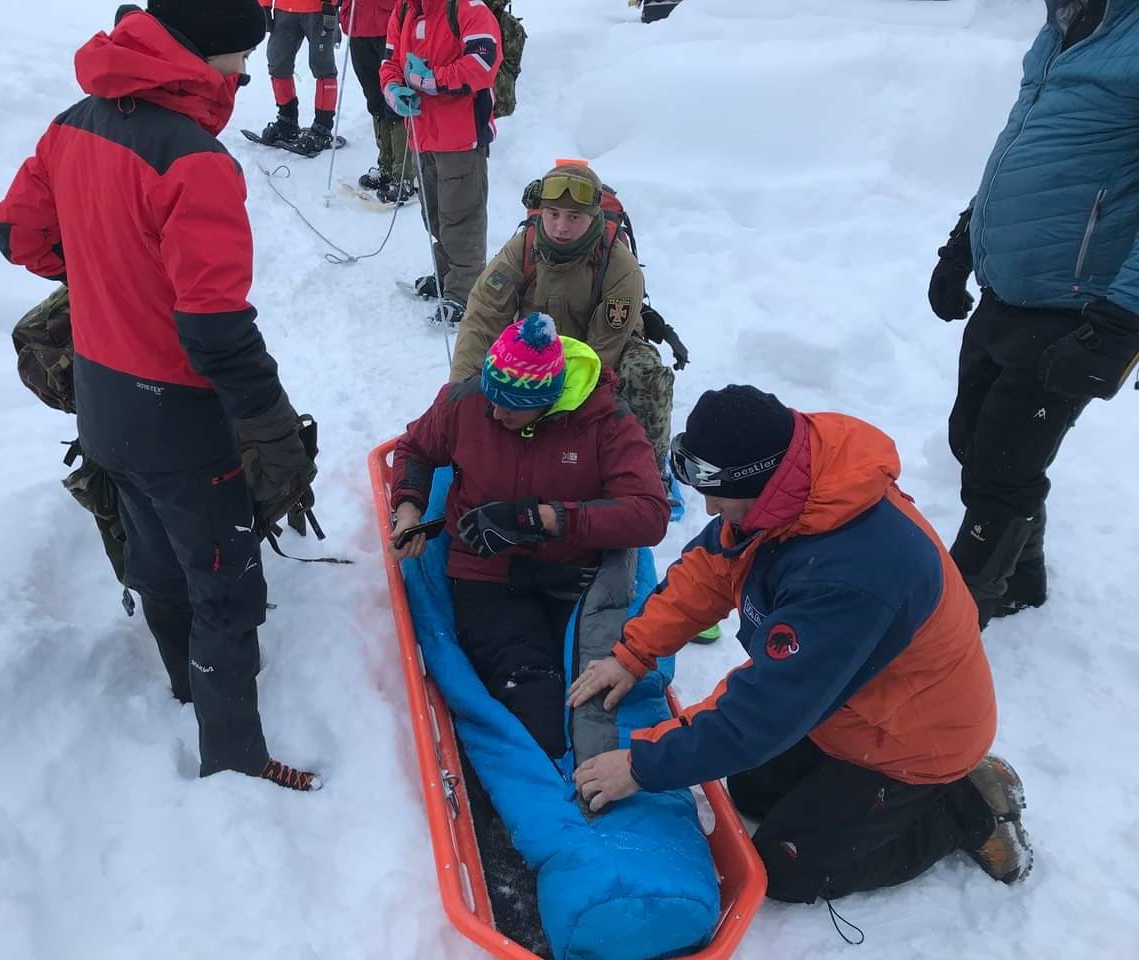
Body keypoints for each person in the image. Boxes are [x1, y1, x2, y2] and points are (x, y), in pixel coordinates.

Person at [0, 0, 321, 792]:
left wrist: (106, 272)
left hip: (104, 400)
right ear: (200, 52)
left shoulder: (75, 120)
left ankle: (185, 682)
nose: (246, 70)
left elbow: (17, 235)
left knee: (159, 560)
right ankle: (236, 757)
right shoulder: (195, 159)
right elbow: (214, 330)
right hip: (180, 417)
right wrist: (271, 428)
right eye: (239, 55)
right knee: (227, 588)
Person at [568, 386, 1033, 903]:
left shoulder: (853, 575)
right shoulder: (788, 493)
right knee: (749, 787)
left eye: (719, 490)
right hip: (842, 710)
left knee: (790, 868)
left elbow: (766, 710)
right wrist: (633, 653)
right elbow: (709, 570)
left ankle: (964, 808)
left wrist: (639, 766)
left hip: (910, 742)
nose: (709, 505)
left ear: (762, 480)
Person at [928, 0, 1139, 626]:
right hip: (1008, 291)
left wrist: (1119, 325)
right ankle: (1020, 576)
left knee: (1003, 464)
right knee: (973, 440)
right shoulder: (1063, 26)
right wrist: (962, 245)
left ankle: (958, 617)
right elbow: (1024, 149)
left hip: (1076, 306)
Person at [389, 315, 669, 757]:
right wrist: (408, 509)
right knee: (536, 709)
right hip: (488, 576)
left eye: (512, 407)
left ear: (548, 401)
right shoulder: (469, 401)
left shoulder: (604, 421)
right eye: (492, 399)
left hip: (573, 578)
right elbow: (415, 448)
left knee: (598, 706)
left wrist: (544, 519)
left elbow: (650, 514)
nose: (496, 413)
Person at [450, 162, 676, 484]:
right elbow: (482, 318)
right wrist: (459, 393)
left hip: (596, 353)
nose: (560, 227)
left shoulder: (620, 268)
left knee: (645, 374)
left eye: (574, 217)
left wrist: (552, 408)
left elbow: (601, 352)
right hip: (534, 346)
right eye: (553, 213)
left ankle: (647, 474)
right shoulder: (522, 250)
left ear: (593, 216)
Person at [379, 0, 503, 327]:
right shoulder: (404, 9)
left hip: (460, 136)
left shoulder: (467, 8)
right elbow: (390, 61)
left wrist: (431, 79)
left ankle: (465, 292)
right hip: (421, 132)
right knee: (433, 213)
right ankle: (447, 275)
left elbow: (483, 64)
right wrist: (393, 89)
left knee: (460, 216)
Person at [340, 0, 416, 203]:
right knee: (375, 100)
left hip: (388, 23)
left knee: (395, 98)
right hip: (358, 25)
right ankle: (386, 166)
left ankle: (404, 175)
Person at [258, 0, 341, 155]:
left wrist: (332, 4)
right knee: (278, 63)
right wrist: (264, 5)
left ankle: (322, 127)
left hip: (319, 9)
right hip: (284, 10)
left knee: (323, 66)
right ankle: (286, 119)